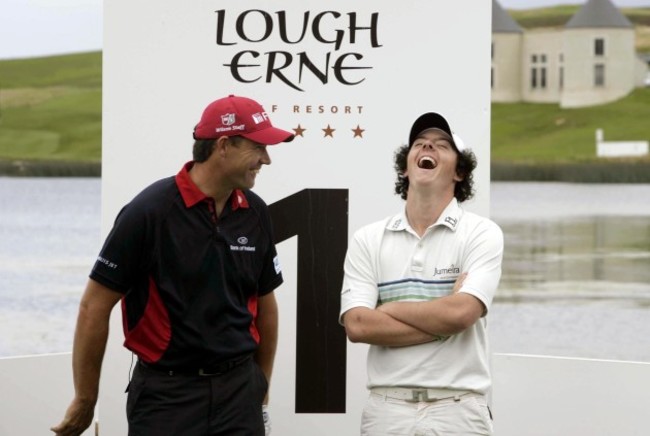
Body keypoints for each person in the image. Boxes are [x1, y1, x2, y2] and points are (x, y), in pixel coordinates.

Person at [51, 94, 294, 436]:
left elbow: (265, 304)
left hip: (240, 393)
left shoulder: (255, 212)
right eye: (258, 148)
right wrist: (85, 399)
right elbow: (94, 306)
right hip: (167, 397)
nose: (266, 159)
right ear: (224, 145)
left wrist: (261, 388)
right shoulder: (149, 211)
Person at [339, 112, 503, 435]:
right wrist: (443, 317)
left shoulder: (482, 234)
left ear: (459, 172)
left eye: (442, 144)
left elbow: (461, 313)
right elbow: (357, 325)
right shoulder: (368, 239)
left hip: (459, 410)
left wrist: (388, 310)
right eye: (419, 143)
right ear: (406, 166)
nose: (428, 145)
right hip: (387, 408)